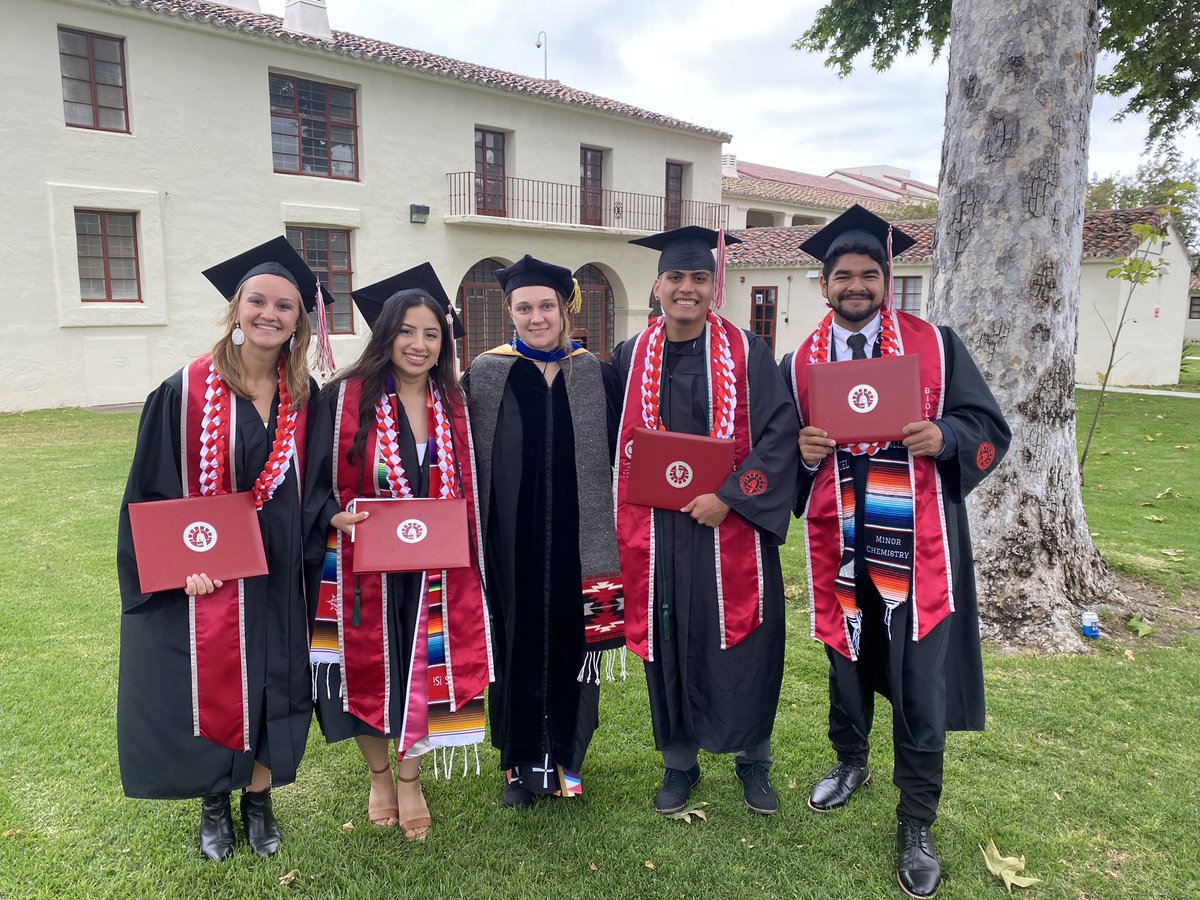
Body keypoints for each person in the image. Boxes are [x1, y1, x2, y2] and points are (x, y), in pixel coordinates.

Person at [781, 205, 1011, 898]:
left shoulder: (935, 347)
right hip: (841, 544)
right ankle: (851, 762)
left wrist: (946, 437)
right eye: (843, 276)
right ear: (824, 286)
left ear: (888, 279)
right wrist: (800, 454)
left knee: (918, 684)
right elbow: (779, 451)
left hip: (918, 551)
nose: (856, 285)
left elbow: (988, 426)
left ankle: (916, 820)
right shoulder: (798, 363)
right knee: (845, 665)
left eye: (869, 274)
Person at [116, 236, 337, 860]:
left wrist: (333, 520)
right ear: (236, 309)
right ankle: (216, 801)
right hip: (212, 575)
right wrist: (178, 566)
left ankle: (259, 800)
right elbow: (150, 493)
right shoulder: (183, 393)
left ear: (300, 320)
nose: (270, 314)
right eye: (258, 301)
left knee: (274, 683)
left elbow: (316, 483)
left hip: (281, 572)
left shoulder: (306, 397)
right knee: (215, 684)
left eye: (286, 306)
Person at [612, 226, 799, 816]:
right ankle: (679, 763)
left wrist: (732, 497)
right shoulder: (630, 356)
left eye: (697, 278)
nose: (686, 288)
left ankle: (754, 762)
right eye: (675, 278)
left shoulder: (749, 353)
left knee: (743, 645)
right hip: (660, 536)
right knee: (669, 645)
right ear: (657, 285)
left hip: (731, 531)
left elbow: (780, 437)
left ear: (714, 287)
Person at [308, 264, 493, 840]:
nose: (419, 344)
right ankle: (380, 775)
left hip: (438, 567)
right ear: (386, 334)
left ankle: (410, 780)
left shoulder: (458, 405)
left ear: (446, 341)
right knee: (369, 668)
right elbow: (310, 482)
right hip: (365, 566)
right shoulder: (342, 400)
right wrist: (330, 515)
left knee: (425, 668)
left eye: (432, 333)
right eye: (407, 331)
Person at [464, 254, 623, 808]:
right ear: (509, 311)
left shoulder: (594, 373)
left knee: (575, 643)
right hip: (510, 539)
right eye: (524, 307)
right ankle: (518, 763)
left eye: (547, 306)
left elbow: (625, 454)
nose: (537, 317)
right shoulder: (487, 373)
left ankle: (569, 759)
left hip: (582, 539)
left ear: (564, 309)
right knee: (516, 641)